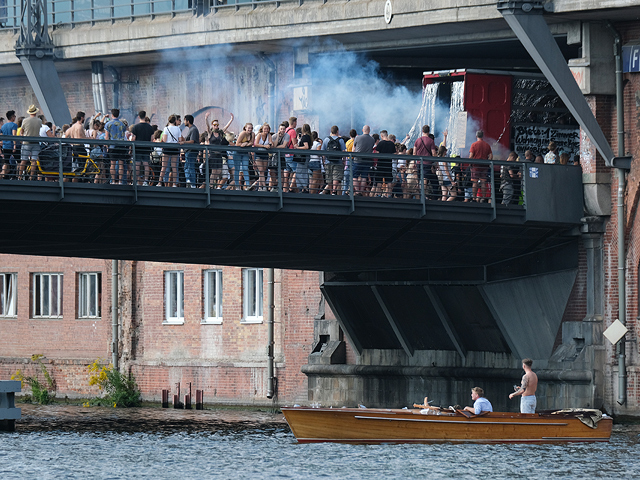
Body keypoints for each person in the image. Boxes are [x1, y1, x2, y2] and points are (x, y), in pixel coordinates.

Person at [130, 111, 155, 186]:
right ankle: (146, 181)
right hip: (146, 148)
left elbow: (133, 139)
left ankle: (137, 181)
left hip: (137, 148)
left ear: (138, 117)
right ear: (145, 116)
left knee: (137, 164)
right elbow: (152, 139)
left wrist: (131, 148)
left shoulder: (135, 127)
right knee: (146, 164)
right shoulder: (150, 127)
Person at [104, 108, 128, 184]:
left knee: (112, 164)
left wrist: (107, 147)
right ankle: (120, 181)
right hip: (121, 146)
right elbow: (123, 135)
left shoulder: (108, 124)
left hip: (112, 146)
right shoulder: (122, 124)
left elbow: (106, 137)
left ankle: (113, 181)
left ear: (112, 114)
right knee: (121, 165)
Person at [20, 105, 43, 181]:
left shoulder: (25, 120)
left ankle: (19, 176)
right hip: (36, 142)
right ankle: (31, 177)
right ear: (35, 112)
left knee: (23, 160)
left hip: (26, 142)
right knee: (34, 160)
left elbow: (21, 132)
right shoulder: (39, 121)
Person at [321, 125, 346, 195]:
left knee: (329, 177)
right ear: (337, 131)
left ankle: (331, 191)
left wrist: (324, 161)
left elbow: (323, 152)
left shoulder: (326, 139)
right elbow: (343, 151)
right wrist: (344, 161)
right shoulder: (340, 140)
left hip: (328, 161)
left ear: (331, 131)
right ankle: (334, 191)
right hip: (338, 161)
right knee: (336, 176)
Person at [469, 129, 493, 202]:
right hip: (484, 165)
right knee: (483, 182)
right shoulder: (487, 145)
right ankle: (484, 198)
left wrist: (470, 164)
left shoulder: (474, 145)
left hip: (475, 166)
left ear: (476, 136)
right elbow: (491, 156)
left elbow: (471, 156)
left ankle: (474, 198)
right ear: (483, 136)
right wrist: (488, 163)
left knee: (475, 182)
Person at [352, 125, 375, 195]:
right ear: (369, 131)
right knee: (364, 177)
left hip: (357, 160)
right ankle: (361, 191)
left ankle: (357, 191)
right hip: (367, 160)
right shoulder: (372, 139)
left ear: (362, 130)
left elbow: (353, 149)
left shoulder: (357, 138)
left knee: (354, 176)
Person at [182, 114, 200, 187]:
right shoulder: (192, 129)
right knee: (187, 166)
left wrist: (184, 142)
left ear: (188, 121)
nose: (184, 122)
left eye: (184, 120)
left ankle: (192, 183)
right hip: (189, 151)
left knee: (190, 166)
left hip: (191, 151)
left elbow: (192, 141)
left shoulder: (193, 129)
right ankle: (188, 180)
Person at [1, 110, 18, 179]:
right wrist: (15, 145)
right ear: (12, 117)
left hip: (5, 146)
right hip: (11, 145)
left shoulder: (3, 126)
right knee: (19, 161)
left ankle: (3, 176)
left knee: (6, 162)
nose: (15, 117)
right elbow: (13, 135)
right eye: (14, 116)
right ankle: (18, 176)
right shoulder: (14, 125)